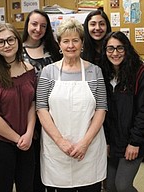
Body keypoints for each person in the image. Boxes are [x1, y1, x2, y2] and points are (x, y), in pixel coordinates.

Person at [36, 18, 107, 191]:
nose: (70, 45)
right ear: (59, 45)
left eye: (75, 40)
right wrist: (61, 142)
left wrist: (84, 143)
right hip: (57, 148)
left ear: (82, 43)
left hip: (89, 148)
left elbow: (101, 109)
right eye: (66, 41)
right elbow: (41, 108)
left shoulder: (94, 71)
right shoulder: (48, 72)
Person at [0, 23, 36, 192]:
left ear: (18, 41)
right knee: (5, 187)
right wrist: (17, 139)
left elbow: (31, 103)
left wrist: (29, 133)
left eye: (10, 40)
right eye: (1, 42)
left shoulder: (28, 68)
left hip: (26, 138)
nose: (7, 45)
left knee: (27, 186)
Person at [100, 31, 144, 192]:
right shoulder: (103, 73)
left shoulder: (139, 73)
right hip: (112, 141)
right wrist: (106, 142)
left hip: (132, 141)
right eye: (110, 49)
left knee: (122, 186)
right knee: (109, 186)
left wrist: (135, 142)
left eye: (119, 48)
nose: (115, 53)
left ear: (127, 49)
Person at [22, 9, 62, 192]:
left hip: (56, 113)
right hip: (29, 114)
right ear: (27, 25)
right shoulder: (17, 50)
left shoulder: (53, 50)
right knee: (35, 164)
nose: (38, 29)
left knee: (54, 159)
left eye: (43, 26)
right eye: (34, 24)